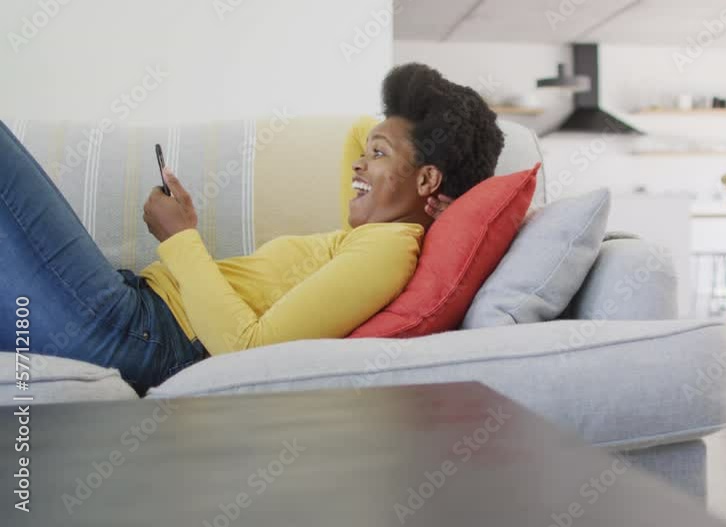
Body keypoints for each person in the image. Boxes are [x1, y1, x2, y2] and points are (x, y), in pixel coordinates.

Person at [0, 63, 505, 395]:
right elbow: (359, 132)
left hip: (137, 333)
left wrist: (180, 239)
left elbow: (249, 353)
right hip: (133, 317)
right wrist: (402, 131)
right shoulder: (371, 231)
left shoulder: (387, 253)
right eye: (366, 153)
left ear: (427, 178)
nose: (357, 165)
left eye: (376, 156)